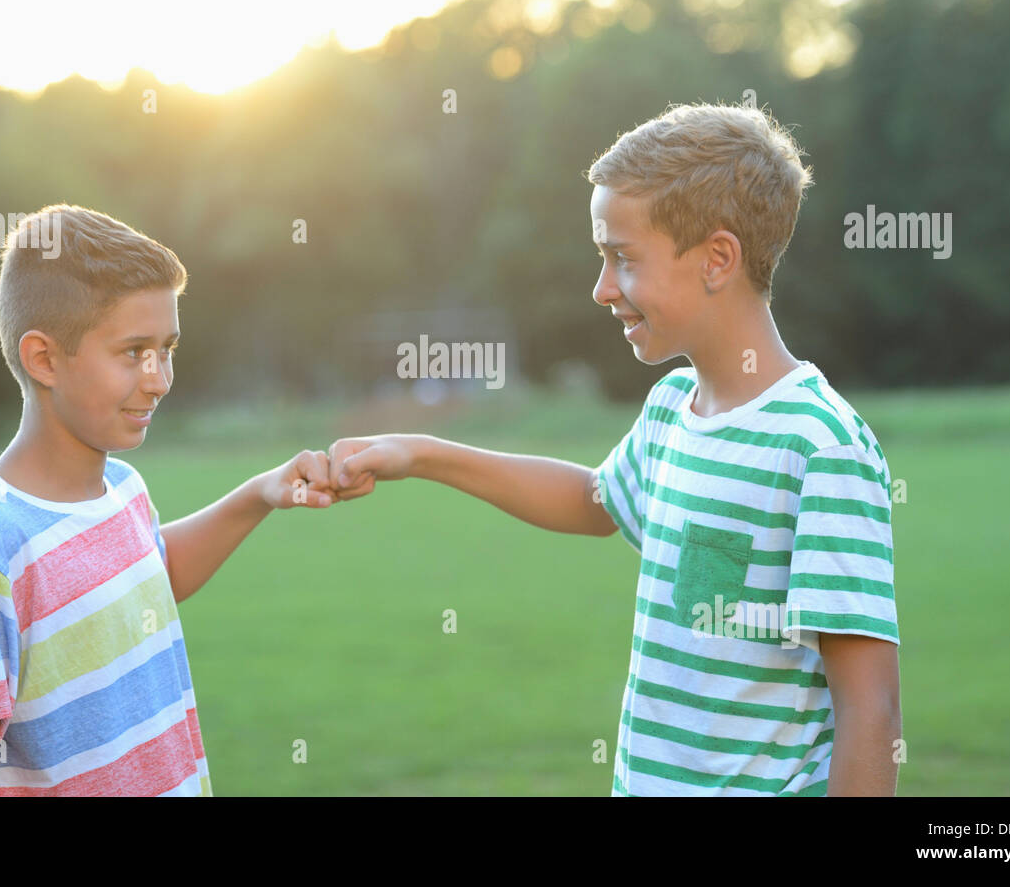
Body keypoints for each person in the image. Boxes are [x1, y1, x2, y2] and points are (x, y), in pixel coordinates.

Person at [325, 102, 903, 796]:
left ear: (718, 258)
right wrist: (420, 454)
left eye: (622, 259)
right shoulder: (670, 410)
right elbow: (594, 500)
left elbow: (871, 709)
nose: (601, 289)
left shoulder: (821, 446)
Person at [0, 205, 336, 796]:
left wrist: (262, 493)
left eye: (167, 349)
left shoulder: (122, 488)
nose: (159, 377)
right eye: (134, 351)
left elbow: (156, 570)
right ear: (44, 359)